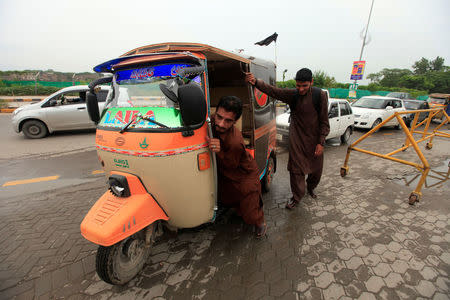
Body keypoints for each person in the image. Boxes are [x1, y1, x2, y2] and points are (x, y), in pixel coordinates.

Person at [245, 68, 330, 209]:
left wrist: (321, 142)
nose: (301, 89)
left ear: (311, 82)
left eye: (304, 86)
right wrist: (256, 82)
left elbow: (324, 121)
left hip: (314, 139)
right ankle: (296, 197)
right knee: (296, 169)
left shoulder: (319, 95)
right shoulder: (293, 95)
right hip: (296, 138)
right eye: (298, 85)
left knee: (316, 170)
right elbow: (274, 91)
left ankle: (311, 188)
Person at [207, 96, 267, 237]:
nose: (221, 124)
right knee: (228, 197)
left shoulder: (235, 142)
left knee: (251, 214)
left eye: (228, 121)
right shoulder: (211, 121)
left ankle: (261, 223)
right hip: (228, 173)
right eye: (219, 117)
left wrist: (219, 150)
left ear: (235, 121)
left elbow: (231, 165)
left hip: (244, 174)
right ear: (215, 113)